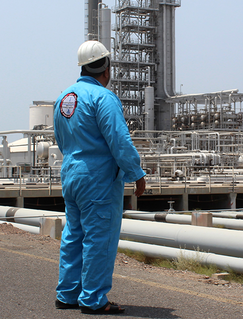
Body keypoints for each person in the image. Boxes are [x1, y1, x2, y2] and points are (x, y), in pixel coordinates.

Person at [53, 40, 146, 315]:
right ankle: (93, 299)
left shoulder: (64, 98)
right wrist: (136, 173)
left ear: (82, 66)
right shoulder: (103, 98)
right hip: (98, 180)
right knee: (99, 238)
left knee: (73, 234)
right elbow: (120, 140)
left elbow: (60, 139)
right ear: (106, 67)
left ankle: (67, 294)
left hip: (71, 174)